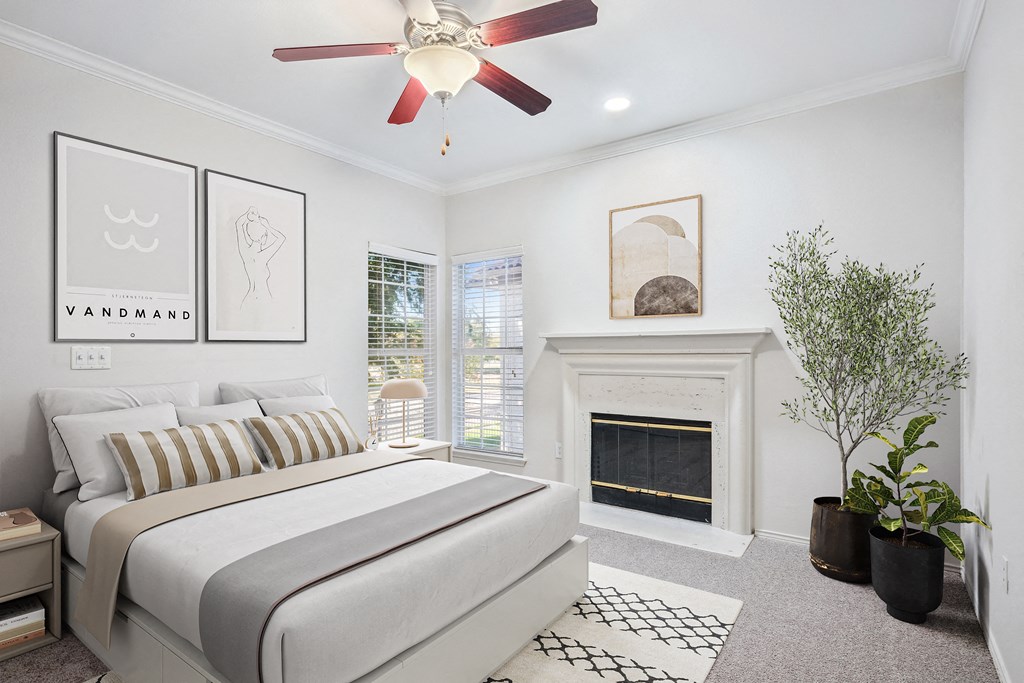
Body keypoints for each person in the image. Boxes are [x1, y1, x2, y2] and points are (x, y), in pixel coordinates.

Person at [235, 206, 286, 310]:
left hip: (248, 300)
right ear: (264, 237)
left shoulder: (245, 251)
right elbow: (282, 238)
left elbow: (238, 224)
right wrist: (268, 226)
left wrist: (249, 213)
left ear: (249, 235)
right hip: (263, 299)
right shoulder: (262, 256)